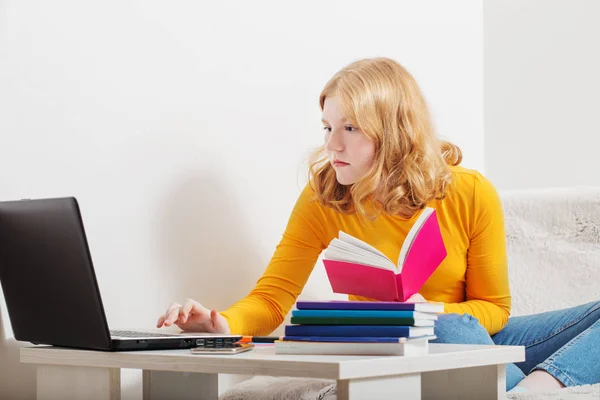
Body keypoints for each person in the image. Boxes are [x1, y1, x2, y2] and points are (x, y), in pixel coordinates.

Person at [156, 57, 600, 393]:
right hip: (393, 343)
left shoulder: (468, 191)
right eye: (327, 126)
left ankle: (537, 389)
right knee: (447, 333)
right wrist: (223, 324)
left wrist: (428, 314)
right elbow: (273, 298)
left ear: (394, 132)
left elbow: (495, 309)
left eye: (350, 128)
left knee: (453, 329)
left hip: (465, 332)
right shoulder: (323, 197)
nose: (331, 145)